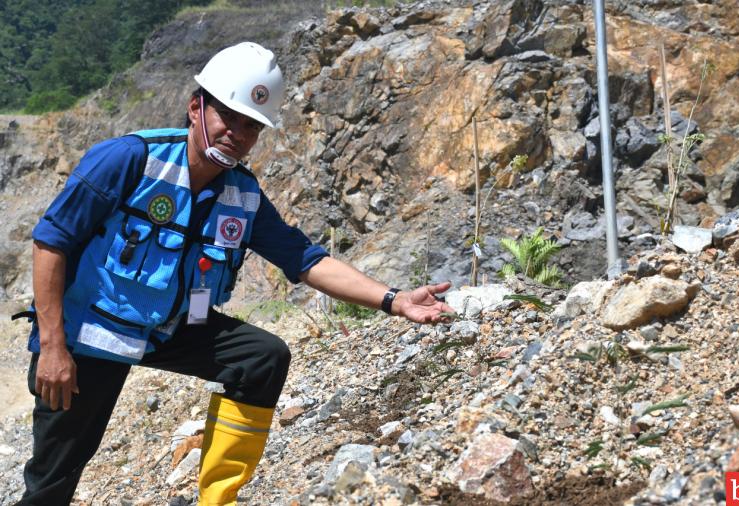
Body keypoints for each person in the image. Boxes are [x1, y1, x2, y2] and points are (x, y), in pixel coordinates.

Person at [13, 42, 453, 505]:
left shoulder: (243, 196)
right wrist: (53, 346)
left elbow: (305, 259)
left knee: (262, 358)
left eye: (251, 126)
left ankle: (216, 500)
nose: (236, 134)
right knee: (54, 480)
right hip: (91, 337)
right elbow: (51, 243)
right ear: (195, 107)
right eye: (228, 116)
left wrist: (394, 299)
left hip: (170, 328)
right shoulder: (129, 159)